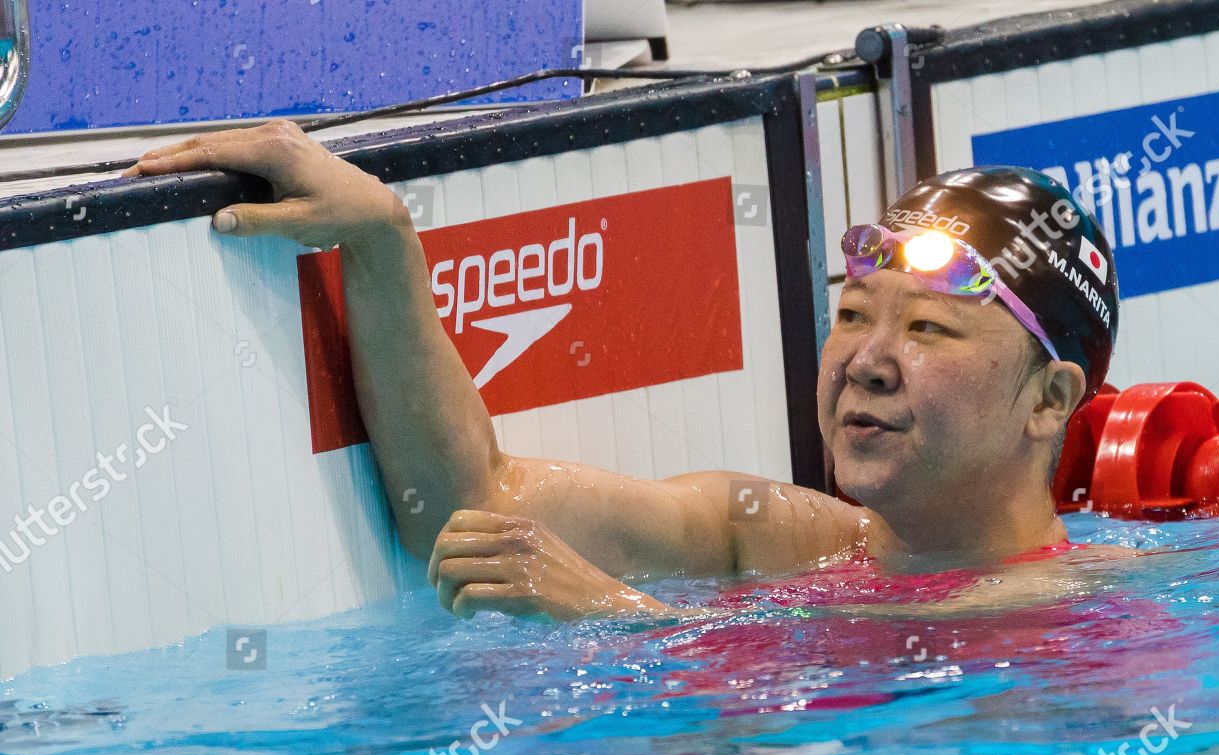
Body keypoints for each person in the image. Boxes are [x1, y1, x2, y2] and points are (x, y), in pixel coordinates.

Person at [125, 120, 1126, 622]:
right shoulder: (781, 540)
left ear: (1050, 399)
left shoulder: (1064, 610)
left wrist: (622, 624)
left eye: (931, 332)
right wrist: (386, 244)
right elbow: (468, 515)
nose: (865, 362)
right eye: (853, 316)